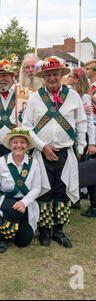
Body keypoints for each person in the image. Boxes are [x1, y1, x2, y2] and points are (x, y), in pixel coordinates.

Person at [22, 56, 87, 248]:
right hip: (42, 153)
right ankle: (44, 231)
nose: (52, 77)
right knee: (44, 192)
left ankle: (58, 230)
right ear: (43, 77)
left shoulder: (73, 96)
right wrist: (43, 146)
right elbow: (27, 127)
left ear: (61, 75)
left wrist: (81, 147)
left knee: (62, 191)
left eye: (55, 74)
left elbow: (81, 122)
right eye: (48, 74)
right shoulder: (35, 98)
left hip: (66, 152)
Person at [0, 128, 41, 253]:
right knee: (13, 210)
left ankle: (14, 227)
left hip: (24, 202)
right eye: (15, 142)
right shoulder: (2, 162)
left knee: (23, 242)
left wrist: (24, 202)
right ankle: (2, 237)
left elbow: (37, 188)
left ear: (27, 146)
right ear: (10, 145)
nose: (19, 145)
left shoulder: (34, 163)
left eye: (22, 142)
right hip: (6, 200)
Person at [0, 55, 33, 165]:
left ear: (12, 75)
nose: (0, 79)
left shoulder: (27, 93)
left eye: (4, 75)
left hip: (19, 147)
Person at [67, 67, 96, 216]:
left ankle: (94, 205)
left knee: (87, 169)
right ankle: (75, 199)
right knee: (75, 168)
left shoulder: (84, 97)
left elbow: (90, 122)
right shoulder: (72, 95)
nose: (68, 78)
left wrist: (92, 143)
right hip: (74, 137)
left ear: (77, 79)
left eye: (70, 76)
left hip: (82, 137)